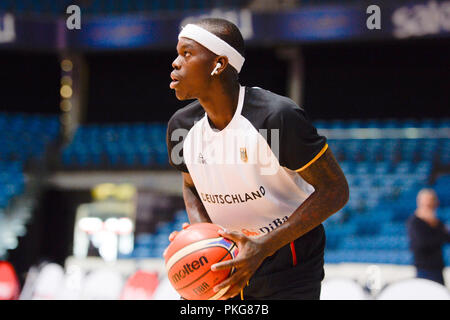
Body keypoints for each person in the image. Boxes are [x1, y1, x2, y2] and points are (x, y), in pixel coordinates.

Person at [165, 18, 349, 300]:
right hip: (224, 260)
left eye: (187, 53)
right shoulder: (181, 127)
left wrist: (263, 246)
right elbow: (191, 186)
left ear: (219, 64)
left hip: (289, 263)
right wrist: (205, 237)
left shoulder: (275, 118)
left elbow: (335, 191)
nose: (176, 63)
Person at [407, 188, 450, 286]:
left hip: (437, 267)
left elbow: (447, 238)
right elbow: (423, 243)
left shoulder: (437, 222)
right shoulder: (415, 222)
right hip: (424, 268)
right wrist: (438, 234)